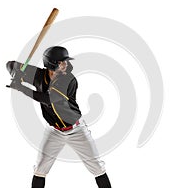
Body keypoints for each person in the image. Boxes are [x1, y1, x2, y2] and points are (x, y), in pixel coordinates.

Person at [6, 46, 112, 188]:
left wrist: (21, 87)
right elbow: (10, 64)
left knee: (97, 167)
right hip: (54, 131)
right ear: (51, 64)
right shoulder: (38, 75)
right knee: (40, 168)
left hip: (76, 130)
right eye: (61, 62)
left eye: (65, 61)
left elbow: (49, 98)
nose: (65, 64)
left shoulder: (69, 79)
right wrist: (15, 72)